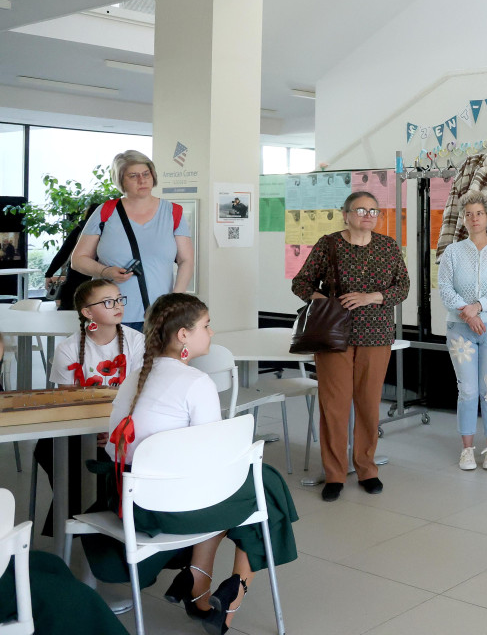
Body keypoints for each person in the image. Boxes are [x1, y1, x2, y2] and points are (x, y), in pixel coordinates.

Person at [97, 293, 298, 635]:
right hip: (171, 509)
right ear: (183, 336)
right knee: (266, 486)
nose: (212, 332)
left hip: (131, 504)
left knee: (252, 484)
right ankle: (233, 596)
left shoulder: (135, 377)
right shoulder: (195, 383)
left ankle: (198, 581)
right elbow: (213, 458)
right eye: (206, 325)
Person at [291, 191, 409, 502]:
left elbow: (403, 287)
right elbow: (301, 283)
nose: (368, 216)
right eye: (361, 210)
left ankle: (367, 468)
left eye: (373, 211)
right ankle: (334, 474)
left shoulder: (388, 247)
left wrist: (371, 297)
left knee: (369, 405)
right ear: (346, 214)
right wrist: (326, 303)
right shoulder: (328, 244)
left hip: (376, 335)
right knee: (334, 407)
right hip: (333, 336)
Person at [32, 279, 146, 534]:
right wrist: (92, 431)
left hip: (123, 424)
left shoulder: (137, 341)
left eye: (119, 299)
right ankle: (82, 518)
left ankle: (82, 521)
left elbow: (141, 394)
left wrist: (113, 429)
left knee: (111, 454)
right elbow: (68, 402)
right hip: (82, 425)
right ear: (87, 312)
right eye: (108, 302)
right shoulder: (68, 348)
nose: (118, 305)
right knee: (49, 448)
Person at [72, 150, 194, 331]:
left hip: (158, 315)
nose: (142, 180)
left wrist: (175, 300)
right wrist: (105, 271)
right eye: (133, 176)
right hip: (110, 314)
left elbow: (186, 260)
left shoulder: (173, 212)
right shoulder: (105, 211)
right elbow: (78, 259)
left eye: (146, 174)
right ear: (121, 180)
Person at [438, 191, 487, 472]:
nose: (474, 219)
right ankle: (467, 449)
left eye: (479, 213)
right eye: (468, 214)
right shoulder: (452, 252)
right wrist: (468, 313)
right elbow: (445, 289)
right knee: (468, 390)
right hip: (460, 329)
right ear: (463, 218)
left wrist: (478, 307)